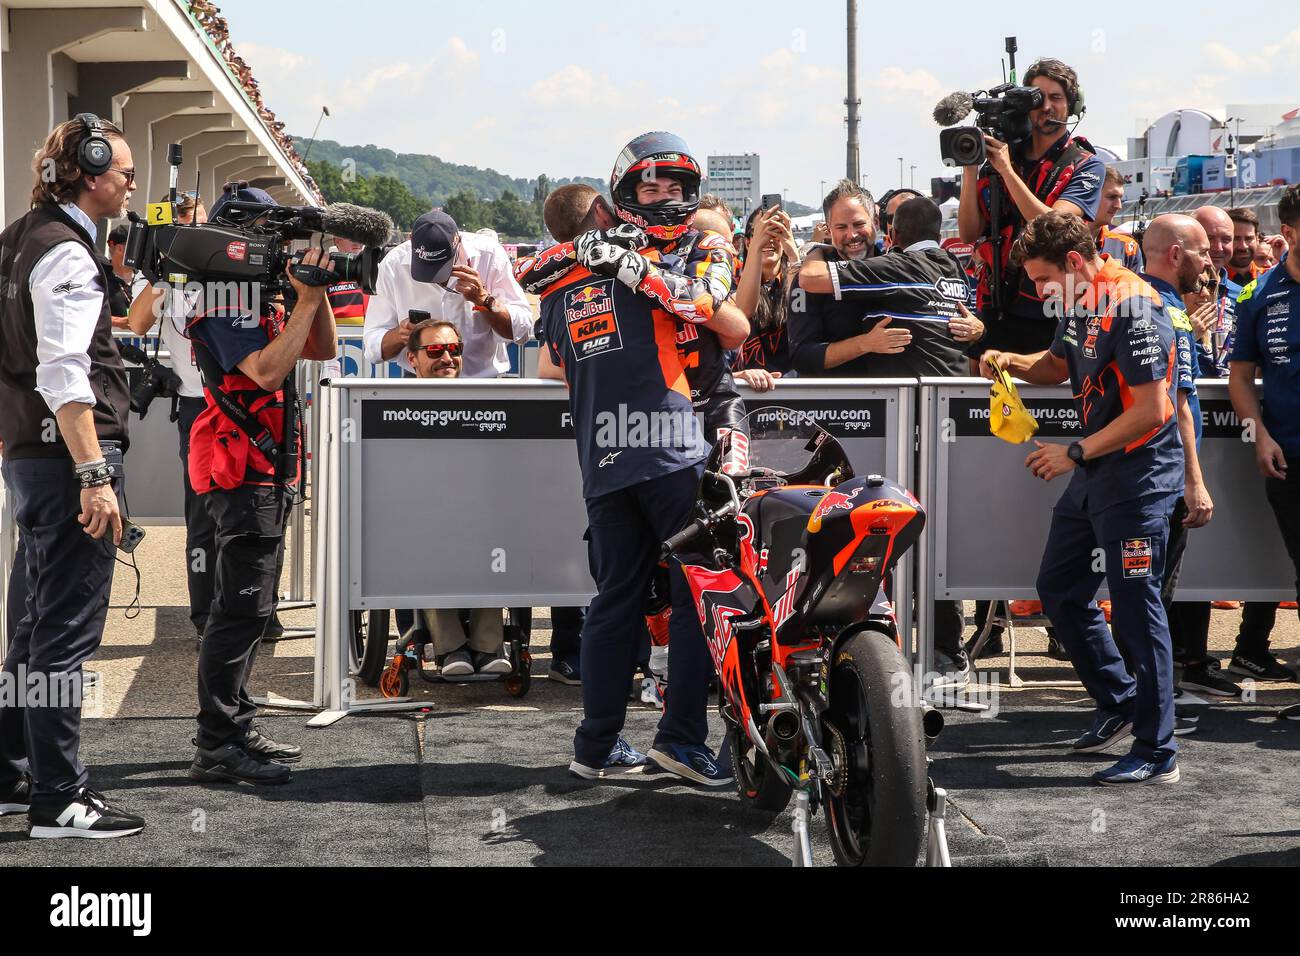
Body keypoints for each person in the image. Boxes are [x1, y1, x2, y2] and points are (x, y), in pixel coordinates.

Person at [539, 131, 733, 786]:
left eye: (676, 187)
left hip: (623, 448)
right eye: (652, 187)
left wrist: (635, 269)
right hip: (658, 447)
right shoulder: (575, 265)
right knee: (680, 596)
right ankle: (674, 740)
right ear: (624, 194)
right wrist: (620, 265)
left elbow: (714, 306)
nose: (666, 198)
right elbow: (553, 348)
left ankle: (598, 746)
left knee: (633, 598)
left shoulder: (699, 244)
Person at [981, 211, 1182, 786]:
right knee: (1059, 590)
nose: (1040, 292)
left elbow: (1154, 410)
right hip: (1096, 470)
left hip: (1137, 479)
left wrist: (1072, 452)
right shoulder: (1079, 300)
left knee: (1138, 612)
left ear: (1073, 262)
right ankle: (1120, 701)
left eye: (1043, 280)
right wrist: (1006, 359)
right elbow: (1052, 366)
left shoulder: (1133, 306)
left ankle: (1158, 749)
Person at [0, 114, 145, 837]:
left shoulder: (19, 240)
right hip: (67, 462)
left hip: (33, 458)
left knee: (31, 627)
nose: (131, 181)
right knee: (62, 633)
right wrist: (95, 472)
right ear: (89, 172)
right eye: (121, 168)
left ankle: (13, 775)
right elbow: (64, 373)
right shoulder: (63, 253)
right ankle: (59, 798)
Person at [185, 185, 338, 786]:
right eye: (274, 239)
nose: (283, 251)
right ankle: (217, 742)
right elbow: (269, 370)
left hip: (267, 467)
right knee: (239, 609)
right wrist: (302, 299)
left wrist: (312, 294)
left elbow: (321, 348)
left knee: (254, 608)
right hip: (241, 469)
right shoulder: (222, 301)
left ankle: (236, 727)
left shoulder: (264, 297)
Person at [798, 196, 984, 680]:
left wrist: (976, 327)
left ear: (882, 227)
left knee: (913, 533)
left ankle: (939, 652)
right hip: (850, 432)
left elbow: (966, 316)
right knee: (864, 538)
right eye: (839, 227)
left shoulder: (906, 264)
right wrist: (864, 344)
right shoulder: (940, 264)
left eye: (858, 223)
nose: (850, 234)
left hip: (914, 428)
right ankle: (870, 653)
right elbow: (803, 355)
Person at [1139, 216, 1239, 700]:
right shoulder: (1162, 307)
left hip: (1154, 472)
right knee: (1153, 594)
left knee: (1149, 592)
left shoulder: (1151, 300)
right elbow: (1176, 403)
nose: (1210, 260)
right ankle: (1146, 700)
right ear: (1176, 254)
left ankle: (1142, 695)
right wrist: (1193, 481)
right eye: (1202, 250)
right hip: (1162, 474)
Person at [125, 192, 223, 646]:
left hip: (243, 401)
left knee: (256, 511)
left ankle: (257, 608)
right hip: (195, 406)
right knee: (202, 514)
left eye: (195, 217)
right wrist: (162, 272)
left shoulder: (229, 263)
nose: (190, 227)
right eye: (180, 219)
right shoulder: (161, 274)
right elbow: (138, 322)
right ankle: (205, 616)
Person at [957, 57, 1105, 358]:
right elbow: (968, 232)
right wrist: (971, 167)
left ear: (1073, 105)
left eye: (1056, 98)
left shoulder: (1087, 165)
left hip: (1053, 312)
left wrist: (1008, 173)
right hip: (997, 308)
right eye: (1038, 99)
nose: (1047, 107)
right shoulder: (1000, 159)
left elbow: (1055, 224)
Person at [405, 319, 513, 674]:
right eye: (435, 350)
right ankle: (450, 649)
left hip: (477, 516)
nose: (447, 358)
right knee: (425, 542)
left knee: (496, 537)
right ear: (412, 359)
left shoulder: (483, 404)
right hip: (421, 517)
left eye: (454, 350)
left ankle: (487, 646)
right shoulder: (391, 405)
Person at [1228, 184, 1300, 684]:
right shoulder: (1259, 294)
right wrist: (1260, 435)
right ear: (1290, 233)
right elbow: (1239, 378)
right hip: (1288, 455)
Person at [364, 210, 532, 379]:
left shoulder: (489, 255)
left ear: (457, 242)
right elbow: (372, 346)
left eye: (442, 266)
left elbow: (522, 331)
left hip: (482, 384)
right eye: (426, 268)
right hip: (420, 383)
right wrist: (401, 334)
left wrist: (485, 301)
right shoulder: (393, 264)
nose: (436, 280)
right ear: (411, 241)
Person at [730, 205, 799, 389]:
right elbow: (742, 311)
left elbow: (805, 307)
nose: (769, 239)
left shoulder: (798, 278)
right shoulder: (729, 286)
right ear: (747, 242)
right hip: (749, 394)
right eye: (761, 231)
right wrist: (740, 375)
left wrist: (793, 253)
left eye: (776, 230)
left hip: (795, 391)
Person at [1094, 167, 1143, 272]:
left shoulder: (1128, 247)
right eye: (1112, 197)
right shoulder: (1061, 241)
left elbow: (1136, 288)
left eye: (1121, 198)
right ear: (1090, 195)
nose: (1118, 205)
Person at [1226, 207, 1262, 287]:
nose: (1243, 246)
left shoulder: (1270, 277)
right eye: (1236, 239)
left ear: (1257, 239)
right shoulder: (1213, 282)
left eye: (1249, 238)